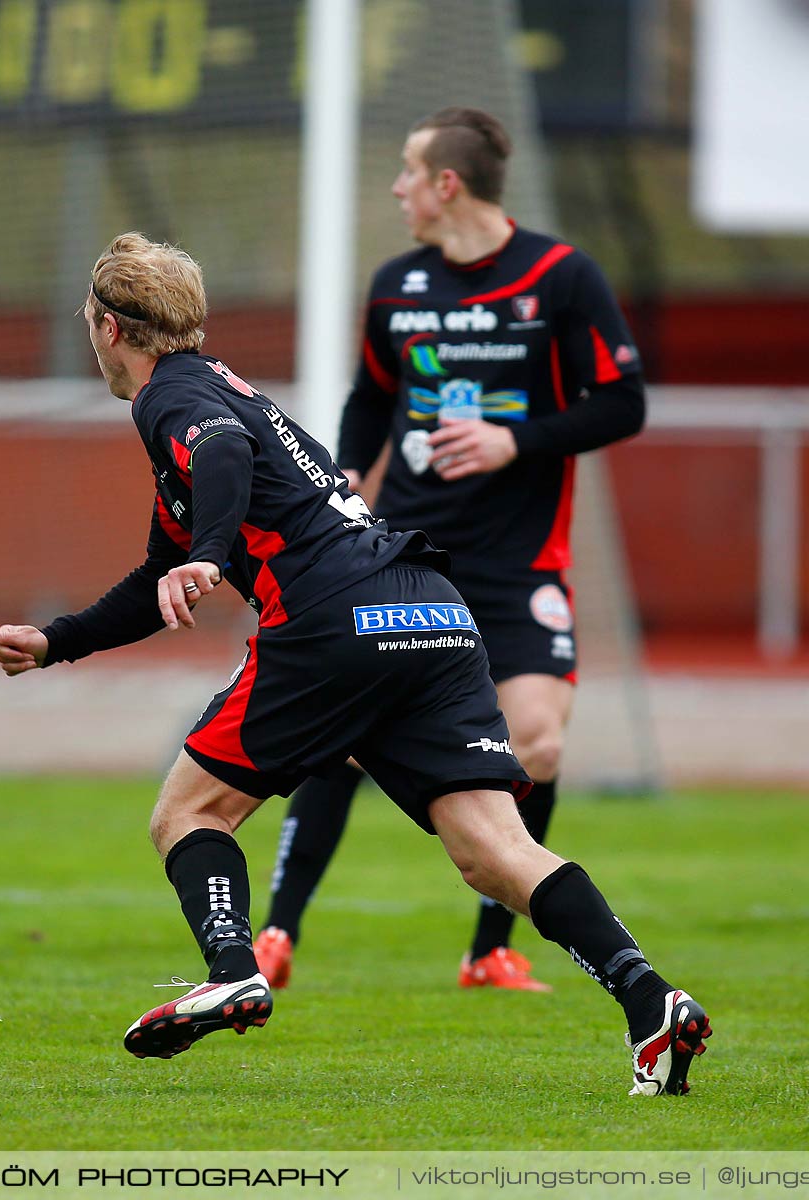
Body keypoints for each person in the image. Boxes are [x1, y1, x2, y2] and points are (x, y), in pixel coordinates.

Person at [0, 233, 708, 1094]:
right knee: (493, 850)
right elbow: (157, 573)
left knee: (186, 814)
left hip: (333, 618)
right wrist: (56, 640)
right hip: (429, 607)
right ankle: (649, 1001)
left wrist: (212, 556)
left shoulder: (173, 398)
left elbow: (217, 456)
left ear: (108, 327)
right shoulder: (222, 387)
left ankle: (232, 967)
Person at [251, 107, 648, 994]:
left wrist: (518, 441)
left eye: (406, 171)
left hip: (517, 566)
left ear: (447, 184)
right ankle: (276, 933)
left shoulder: (561, 277)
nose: (396, 187)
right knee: (349, 742)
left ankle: (489, 949)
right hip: (412, 557)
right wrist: (349, 470)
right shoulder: (397, 286)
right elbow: (369, 398)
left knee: (537, 743)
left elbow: (623, 402)